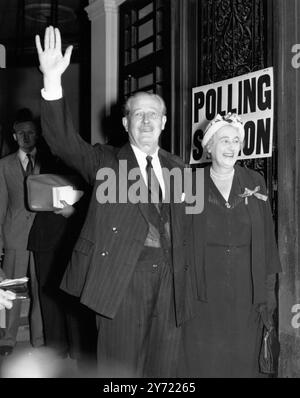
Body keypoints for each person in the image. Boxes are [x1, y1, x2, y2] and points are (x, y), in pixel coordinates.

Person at [35, 26, 194, 377]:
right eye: (139, 114)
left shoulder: (179, 168)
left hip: (171, 285)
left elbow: (189, 227)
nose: (147, 120)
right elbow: (63, 143)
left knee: (164, 372)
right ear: (126, 123)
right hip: (122, 281)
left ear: (165, 122)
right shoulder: (105, 160)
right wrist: (52, 82)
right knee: (120, 373)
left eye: (154, 114)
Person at [178, 113, 281, 378]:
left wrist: (268, 295)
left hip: (246, 293)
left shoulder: (254, 182)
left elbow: (268, 241)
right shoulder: (191, 184)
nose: (231, 146)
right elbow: (177, 239)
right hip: (203, 293)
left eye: (236, 140)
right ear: (209, 146)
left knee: (242, 361)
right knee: (203, 362)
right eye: (224, 140)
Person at [27, 155, 97, 364]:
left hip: (72, 238)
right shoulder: (41, 163)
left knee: (72, 295)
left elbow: (93, 209)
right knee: (48, 295)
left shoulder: (86, 165)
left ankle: (76, 348)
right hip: (45, 239)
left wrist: (72, 212)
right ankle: (56, 348)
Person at [0, 110, 44, 356]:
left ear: (36, 134)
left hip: (42, 238)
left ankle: (39, 338)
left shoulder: (49, 162)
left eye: (30, 132)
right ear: (14, 136)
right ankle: (8, 339)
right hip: (14, 237)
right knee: (12, 289)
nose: (26, 137)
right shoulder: (3, 166)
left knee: (40, 289)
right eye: (21, 133)